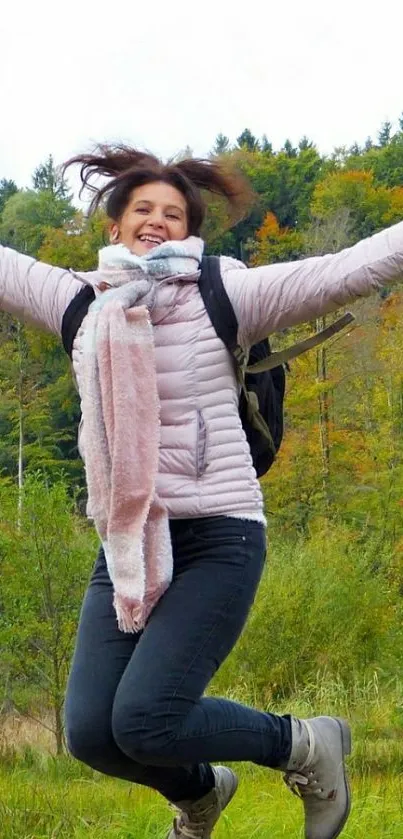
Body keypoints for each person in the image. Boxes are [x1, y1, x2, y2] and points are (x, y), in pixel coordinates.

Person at [1, 145, 402, 839]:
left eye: (173, 213)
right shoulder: (80, 302)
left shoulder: (226, 292)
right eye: (142, 210)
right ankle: (202, 791)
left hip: (219, 531)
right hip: (127, 541)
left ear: (189, 231)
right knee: (94, 732)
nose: (156, 221)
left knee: (145, 716)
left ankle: (301, 741)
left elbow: (347, 269)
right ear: (116, 224)